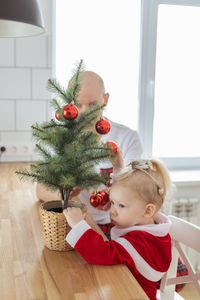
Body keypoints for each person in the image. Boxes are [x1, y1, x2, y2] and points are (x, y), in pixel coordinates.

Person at [36, 70, 143, 229]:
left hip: (116, 227)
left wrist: (113, 197)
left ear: (105, 100)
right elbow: (41, 189)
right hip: (72, 225)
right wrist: (65, 195)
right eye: (78, 104)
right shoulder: (59, 137)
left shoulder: (128, 138)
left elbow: (139, 189)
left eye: (92, 104)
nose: (85, 112)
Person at [63, 158, 172, 300]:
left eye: (121, 205)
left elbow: (100, 252)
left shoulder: (139, 243)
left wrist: (78, 224)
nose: (112, 211)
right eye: (112, 202)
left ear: (147, 211)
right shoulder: (151, 229)